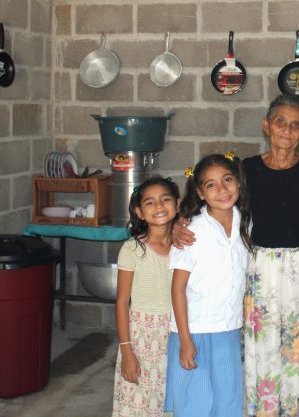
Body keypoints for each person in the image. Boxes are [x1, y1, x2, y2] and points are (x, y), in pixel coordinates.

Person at [173, 95, 299, 416]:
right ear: (266, 125)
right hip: (259, 270)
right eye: (280, 122)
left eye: (295, 125)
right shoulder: (246, 169)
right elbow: (214, 200)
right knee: (260, 346)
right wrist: (180, 223)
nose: (287, 130)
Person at [164, 153, 253, 416]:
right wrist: (185, 339)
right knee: (195, 404)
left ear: (238, 182)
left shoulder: (246, 224)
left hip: (229, 329)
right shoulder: (191, 231)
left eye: (227, 180)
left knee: (228, 403)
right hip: (195, 330)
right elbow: (177, 288)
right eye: (211, 185)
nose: (222, 189)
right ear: (200, 193)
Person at [113, 176, 180, 416]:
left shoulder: (185, 247)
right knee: (139, 401)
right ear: (139, 212)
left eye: (165, 199)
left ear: (177, 204)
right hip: (141, 337)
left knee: (170, 399)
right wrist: (127, 351)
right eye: (150, 203)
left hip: (175, 332)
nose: (159, 206)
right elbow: (122, 302)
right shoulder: (132, 249)